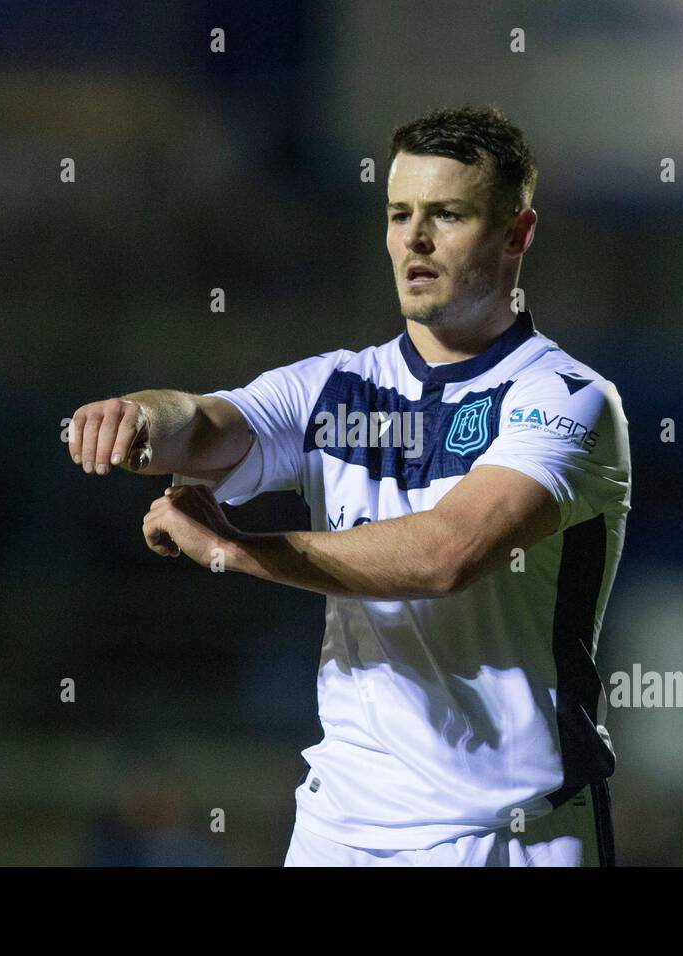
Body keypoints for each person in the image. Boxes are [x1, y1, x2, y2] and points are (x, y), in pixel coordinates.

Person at [67, 105, 631, 866]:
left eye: (447, 214)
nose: (415, 240)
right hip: (342, 831)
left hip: (513, 835)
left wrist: (235, 552)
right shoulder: (335, 386)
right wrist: (137, 418)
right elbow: (202, 424)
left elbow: (445, 555)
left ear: (517, 235)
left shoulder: (566, 398)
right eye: (399, 213)